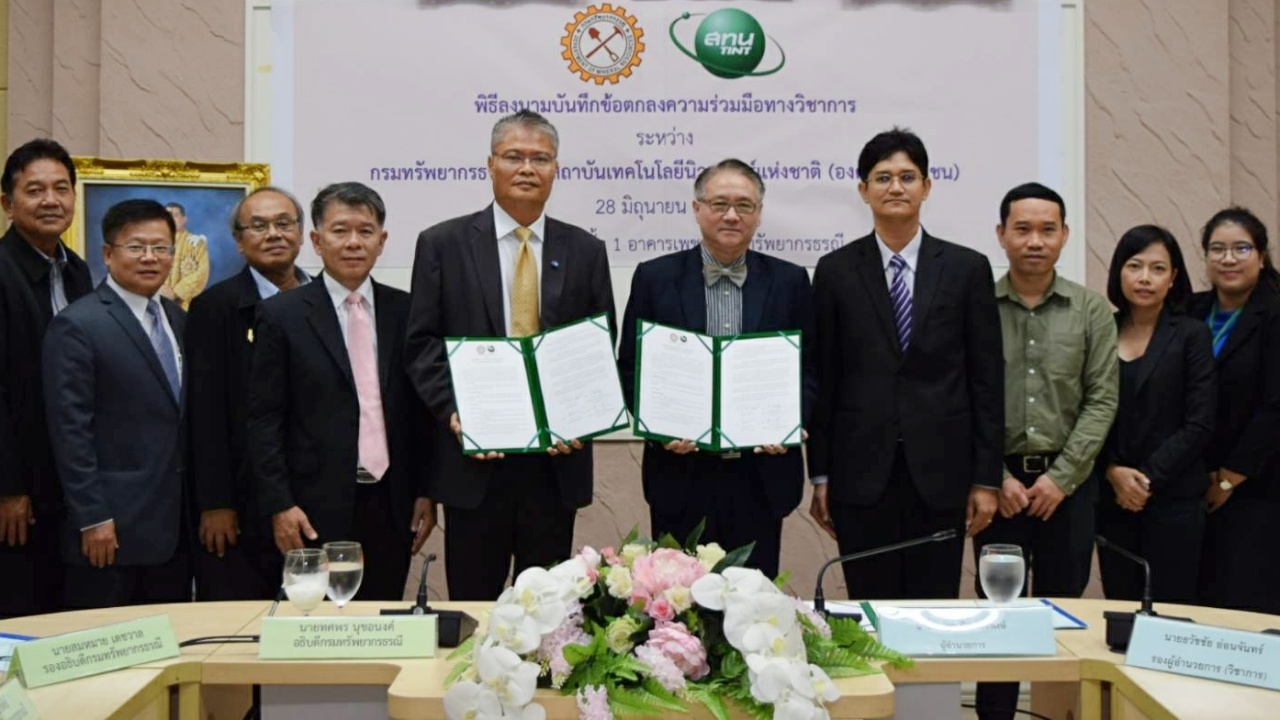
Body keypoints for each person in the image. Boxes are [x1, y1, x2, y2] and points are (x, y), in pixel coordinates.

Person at [405, 109, 614, 600]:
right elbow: (421, 343)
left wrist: (579, 417)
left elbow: (597, 347)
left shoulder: (585, 249)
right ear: (490, 164)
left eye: (540, 158)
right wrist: (455, 411)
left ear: (555, 169)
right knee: (475, 604)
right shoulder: (442, 244)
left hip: (554, 464)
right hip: (474, 461)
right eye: (514, 156)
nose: (527, 168)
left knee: (549, 612)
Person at [807, 127, 1003, 600]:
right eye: (883, 177)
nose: (896, 187)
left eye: (907, 176)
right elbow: (823, 378)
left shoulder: (967, 269)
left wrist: (986, 478)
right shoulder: (835, 271)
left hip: (942, 475)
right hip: (859, 476)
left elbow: (987, 380)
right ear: (863, 190)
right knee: (869, 612)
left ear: (927, 186)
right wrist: (821, 476)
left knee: (934, 608)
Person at [617, 159, 815, 578]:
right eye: (720, 203)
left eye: (744, 205)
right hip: (681, 474)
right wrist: (658, 425)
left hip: (760, 475)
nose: (731, 215)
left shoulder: (790, 281)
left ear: (759, 214)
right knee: (676, 607)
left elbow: (810, 369)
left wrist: (791, 421)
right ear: (697, 208)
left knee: (754, 604)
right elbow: (630, 369)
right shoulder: (655, 278)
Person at [248, 182, 434, 601]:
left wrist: (426, 491)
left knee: (383, 620)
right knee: (320, 628)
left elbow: (420, 414)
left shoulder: (407, 311)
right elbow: (264, 418)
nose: (354, 242)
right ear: (316, 240)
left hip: (393, 502)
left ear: (382, 241)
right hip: (313, 506)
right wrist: (279, 503)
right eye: (340, 231)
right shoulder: (282, 315)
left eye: (365, 232)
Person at [975, 183, 1118, 720]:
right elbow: (963, 396)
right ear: (1001, 235)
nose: (1035, 241)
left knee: (1063, 615)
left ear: (1064, 236)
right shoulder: (978, 306)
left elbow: (1102, 400)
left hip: (1068, 490)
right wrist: (995, 476)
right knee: (1000, 618)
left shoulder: (1091, 311)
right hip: (998, 491)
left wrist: (1062, 478)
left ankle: (1057, 714)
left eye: (1047, 229)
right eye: (1022, 229)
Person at [43, 199, 189, 608]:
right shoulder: (78, 324)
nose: (150, 258)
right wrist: (92, 516)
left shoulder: (179, 320)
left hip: (175, 528)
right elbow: (70, 431)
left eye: (161, 248)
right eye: (136, 247)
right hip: (110, 530)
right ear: (107, 254)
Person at [187, 187, 310, 600]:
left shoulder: (322, 301)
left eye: (283, 223)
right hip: (241, 499)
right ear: (239, 241)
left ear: (302, 233)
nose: (273, 234)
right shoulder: (214, 308)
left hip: (312, 493)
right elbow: (205, 413)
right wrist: (215, 502)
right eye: (258, 226)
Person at [0, 138, 94, 617]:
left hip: (67, 479)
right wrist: (8, 486)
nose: (51, 200)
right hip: (19, 486)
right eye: (35, 190)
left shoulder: (78, 272)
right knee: (21, 606)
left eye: (62, 188)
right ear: (7, 204)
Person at [1097, 224, 1214, 604]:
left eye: (1158, 268)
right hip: (1112, 498)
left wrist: (1145, 480)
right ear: (1119, 273)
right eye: (1134, 266)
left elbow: (1200, 422)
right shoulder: (1101, 330)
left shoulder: (1192, 334)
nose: (1145, 278)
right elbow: (1085, 410)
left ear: (1173, 277)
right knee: (1121, 613)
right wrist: (1113, 471)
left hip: (1174, 498)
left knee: (1171, 615)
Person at [1189, 207, 1280, 614]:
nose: (1228, 258)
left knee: (1247, 603)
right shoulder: (1189, 311)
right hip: (1194, 479)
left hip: (1260, 484)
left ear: (1262, 256)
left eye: (1241, 248)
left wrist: (1228, 479)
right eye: (1217, 249)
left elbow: (1275, 405)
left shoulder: (1274, 312)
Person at [160, 202, 210, 310]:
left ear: (184, 219)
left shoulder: (195, 243)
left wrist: (176, 292)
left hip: (186, 304)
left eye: (175, 215)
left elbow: (201, 273)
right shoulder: (154, 242)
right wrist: (158, 289)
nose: (171, 219)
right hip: (157, 299)